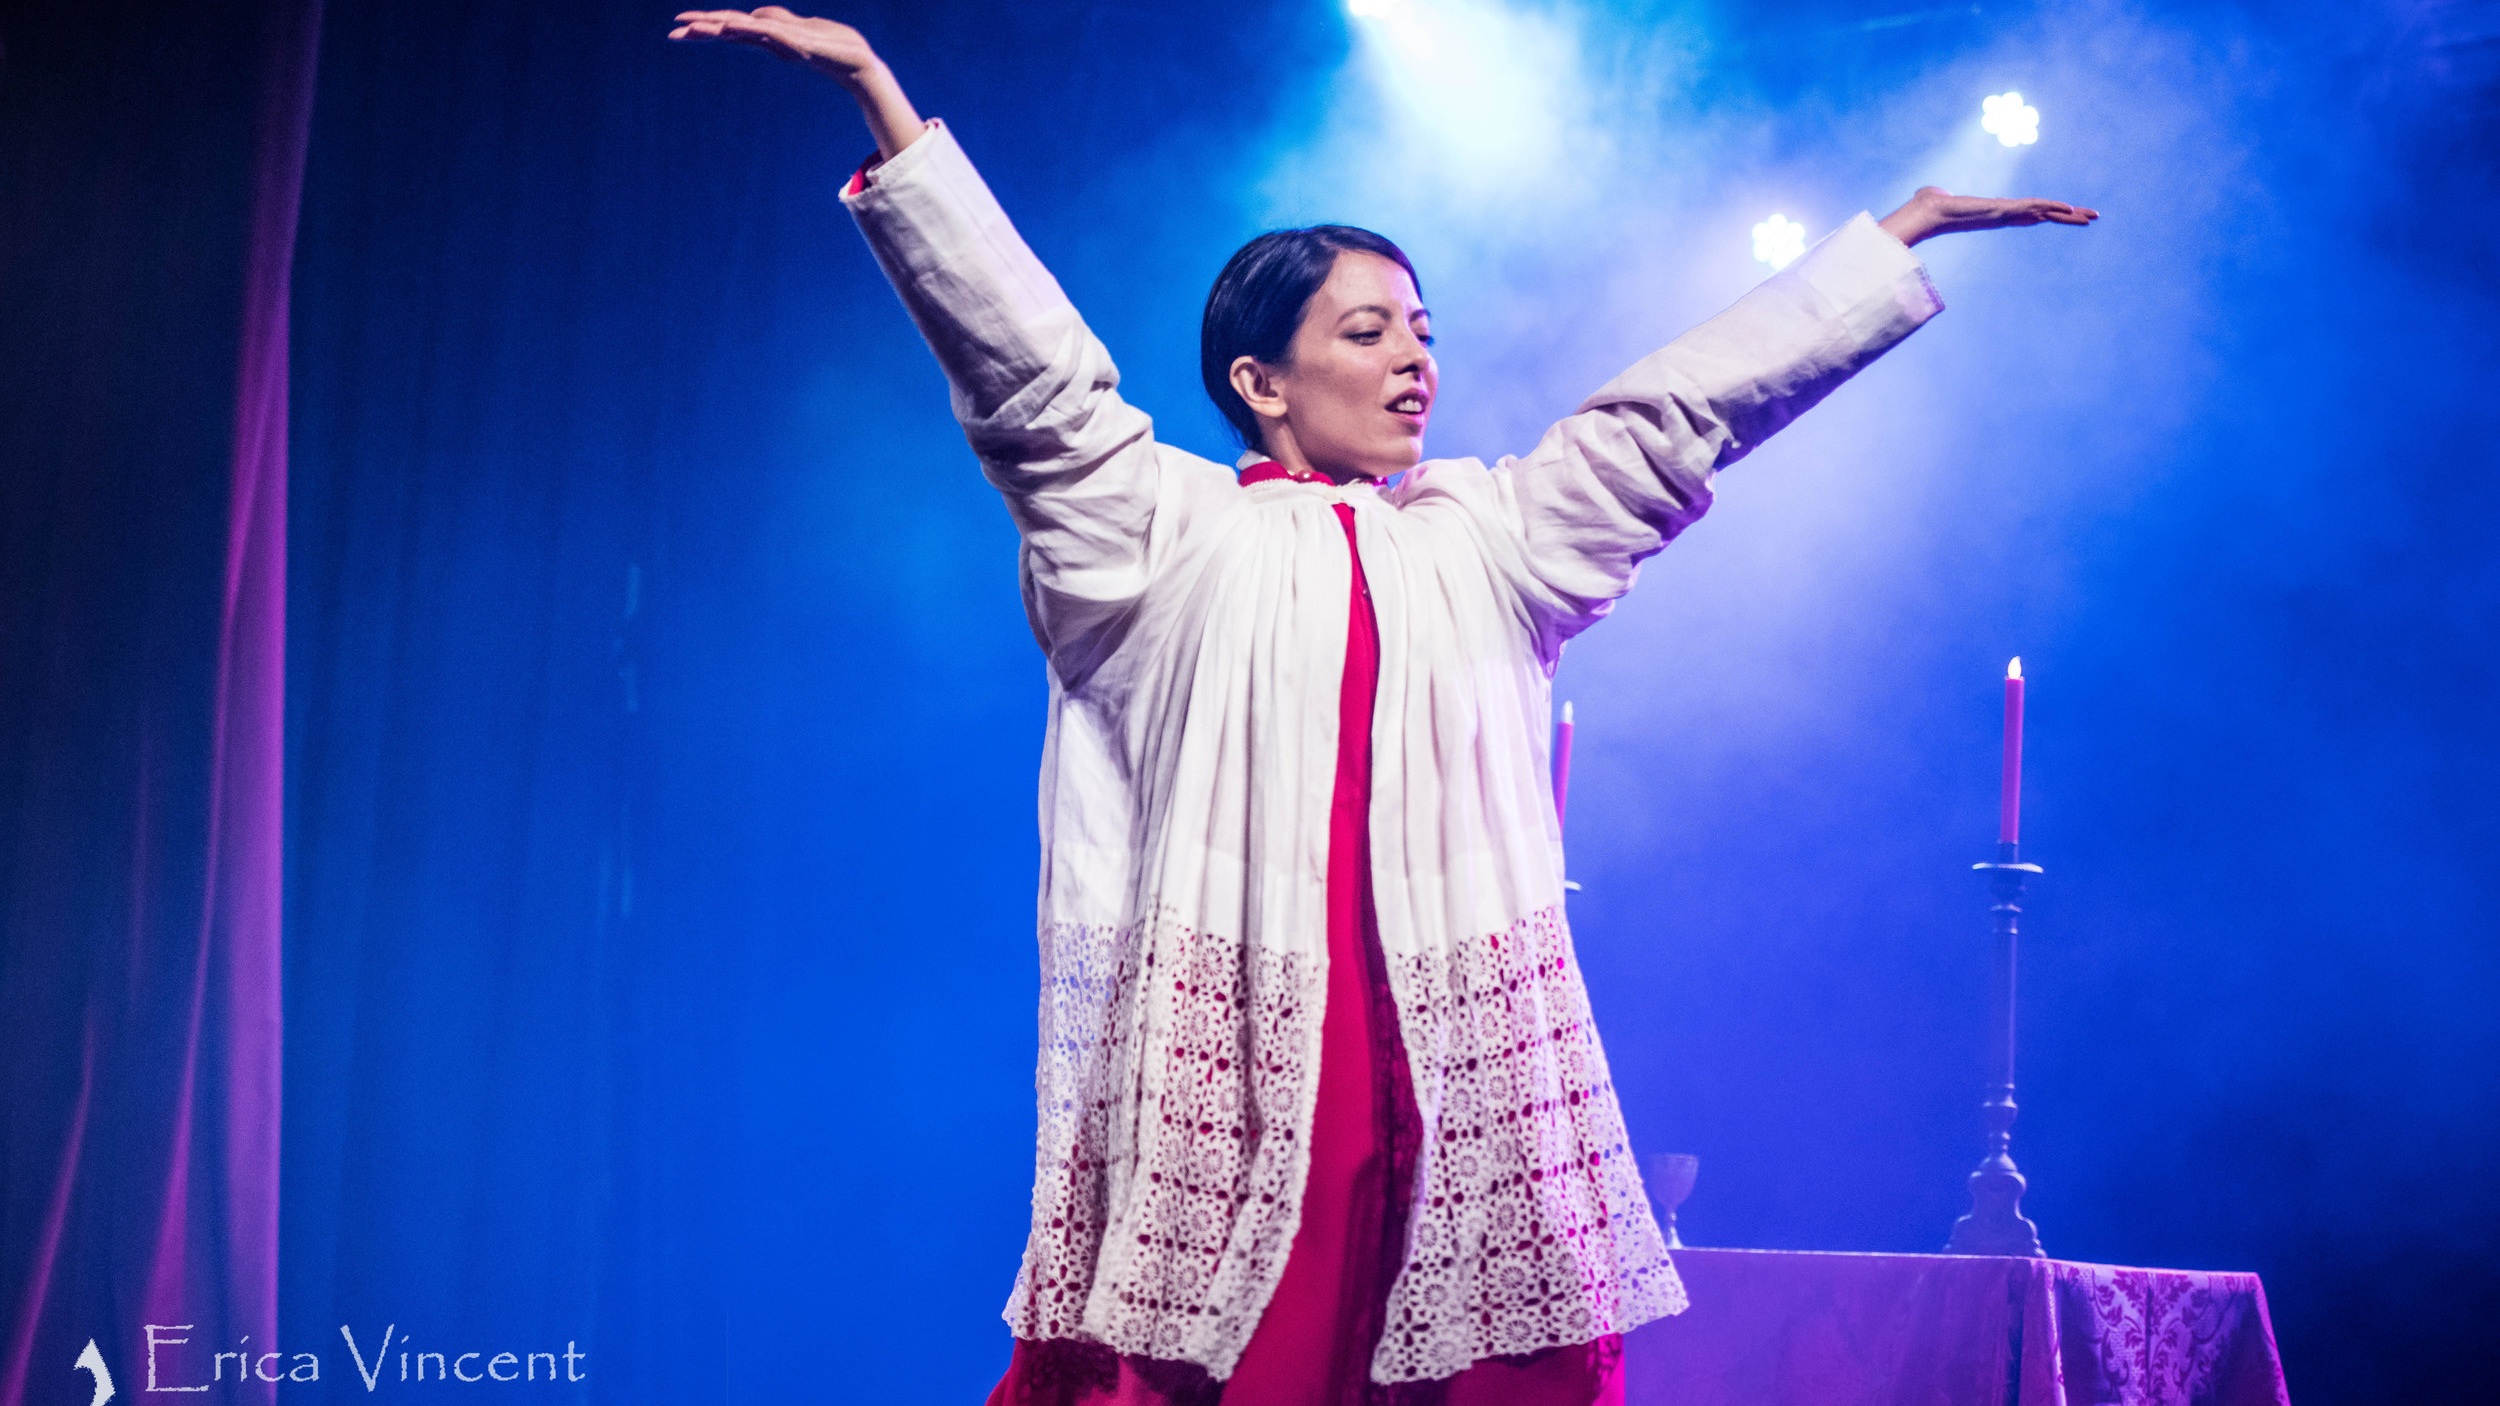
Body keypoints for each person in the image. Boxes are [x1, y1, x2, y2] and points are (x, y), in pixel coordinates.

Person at [670, 11, 2098, 1404]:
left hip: (1454, 1062)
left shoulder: (1485, 534)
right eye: (1368, 331)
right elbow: (1031, 383)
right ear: (1259, 379)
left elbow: (1671, 415)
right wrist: (884, 102)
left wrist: (1885, 247)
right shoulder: (1158, 530)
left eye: (1424, 327)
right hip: (1251, 1048)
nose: (1418, 357)